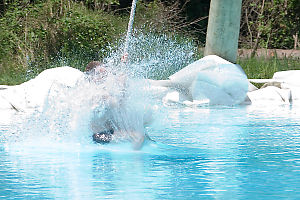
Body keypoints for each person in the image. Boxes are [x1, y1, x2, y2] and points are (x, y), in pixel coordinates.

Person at [85, 61, 148, 150]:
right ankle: (134, 159)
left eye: (104, 74)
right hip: (100, 135)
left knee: (141, 134)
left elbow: (122, 102)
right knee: (138, 136)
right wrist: (122, 85)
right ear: (93, 77)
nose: (104, 77)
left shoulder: (99, 90)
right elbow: (117, 103)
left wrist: (123, 66)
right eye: (100, 74)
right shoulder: (97, 94)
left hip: (108, 131)